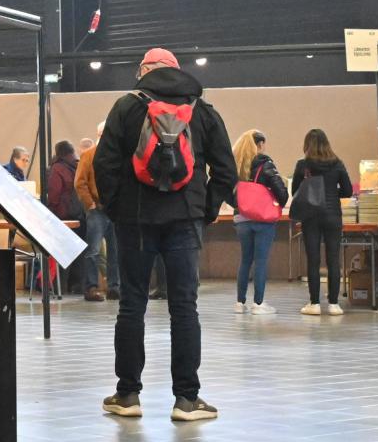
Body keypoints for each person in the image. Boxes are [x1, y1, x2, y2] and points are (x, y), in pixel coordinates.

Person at [92, 48, 234, 422]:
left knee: (132, 305)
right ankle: (187, 399)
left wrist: (116, 208)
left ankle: (127, 395)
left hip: (135, 221)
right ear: (177, 70)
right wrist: (205, 210)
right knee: (184, 307)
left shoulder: (126, 106)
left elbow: (103, 164)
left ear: (143, 71)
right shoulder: (202, 109)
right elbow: (225, 170)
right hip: (184, 219)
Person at [290, 130, 354, 316]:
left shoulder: (303, 165)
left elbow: (295, 191)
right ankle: (334, 304)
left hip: (311, 216)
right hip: (333, 215)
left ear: (307, 144)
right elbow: (348, 191)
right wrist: (332, 193)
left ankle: (315, 303)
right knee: (334, 259)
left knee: (313, 260)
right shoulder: (337, 163)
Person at [231, 131, 290, 315]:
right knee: (261, 261)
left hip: (241, 219)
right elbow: (280, 189)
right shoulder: (265, 164)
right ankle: (258, 303)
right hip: (262, 219)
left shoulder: (238, 165)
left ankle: (240, 303)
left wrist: (240, 205)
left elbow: (228, 191)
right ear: (260, 144)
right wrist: (280, 201)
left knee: (245, 260)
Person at [41, 140, 85, 292]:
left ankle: (59, 285)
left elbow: (53, 194)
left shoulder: (57, 169)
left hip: (62, 216)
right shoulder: (78, 166)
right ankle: (76, 285)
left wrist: (50, 211)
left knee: (61, 252)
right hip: (79, 215)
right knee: (79, 251)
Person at [73, 143, 109, 301]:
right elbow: (79, 182)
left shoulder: (117, 152)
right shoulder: (88, 155)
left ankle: (115, 287)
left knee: (116, 251)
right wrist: (90, 204)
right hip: (97, 210)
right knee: (93, 250)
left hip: (113, 209)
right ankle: (91, 287)